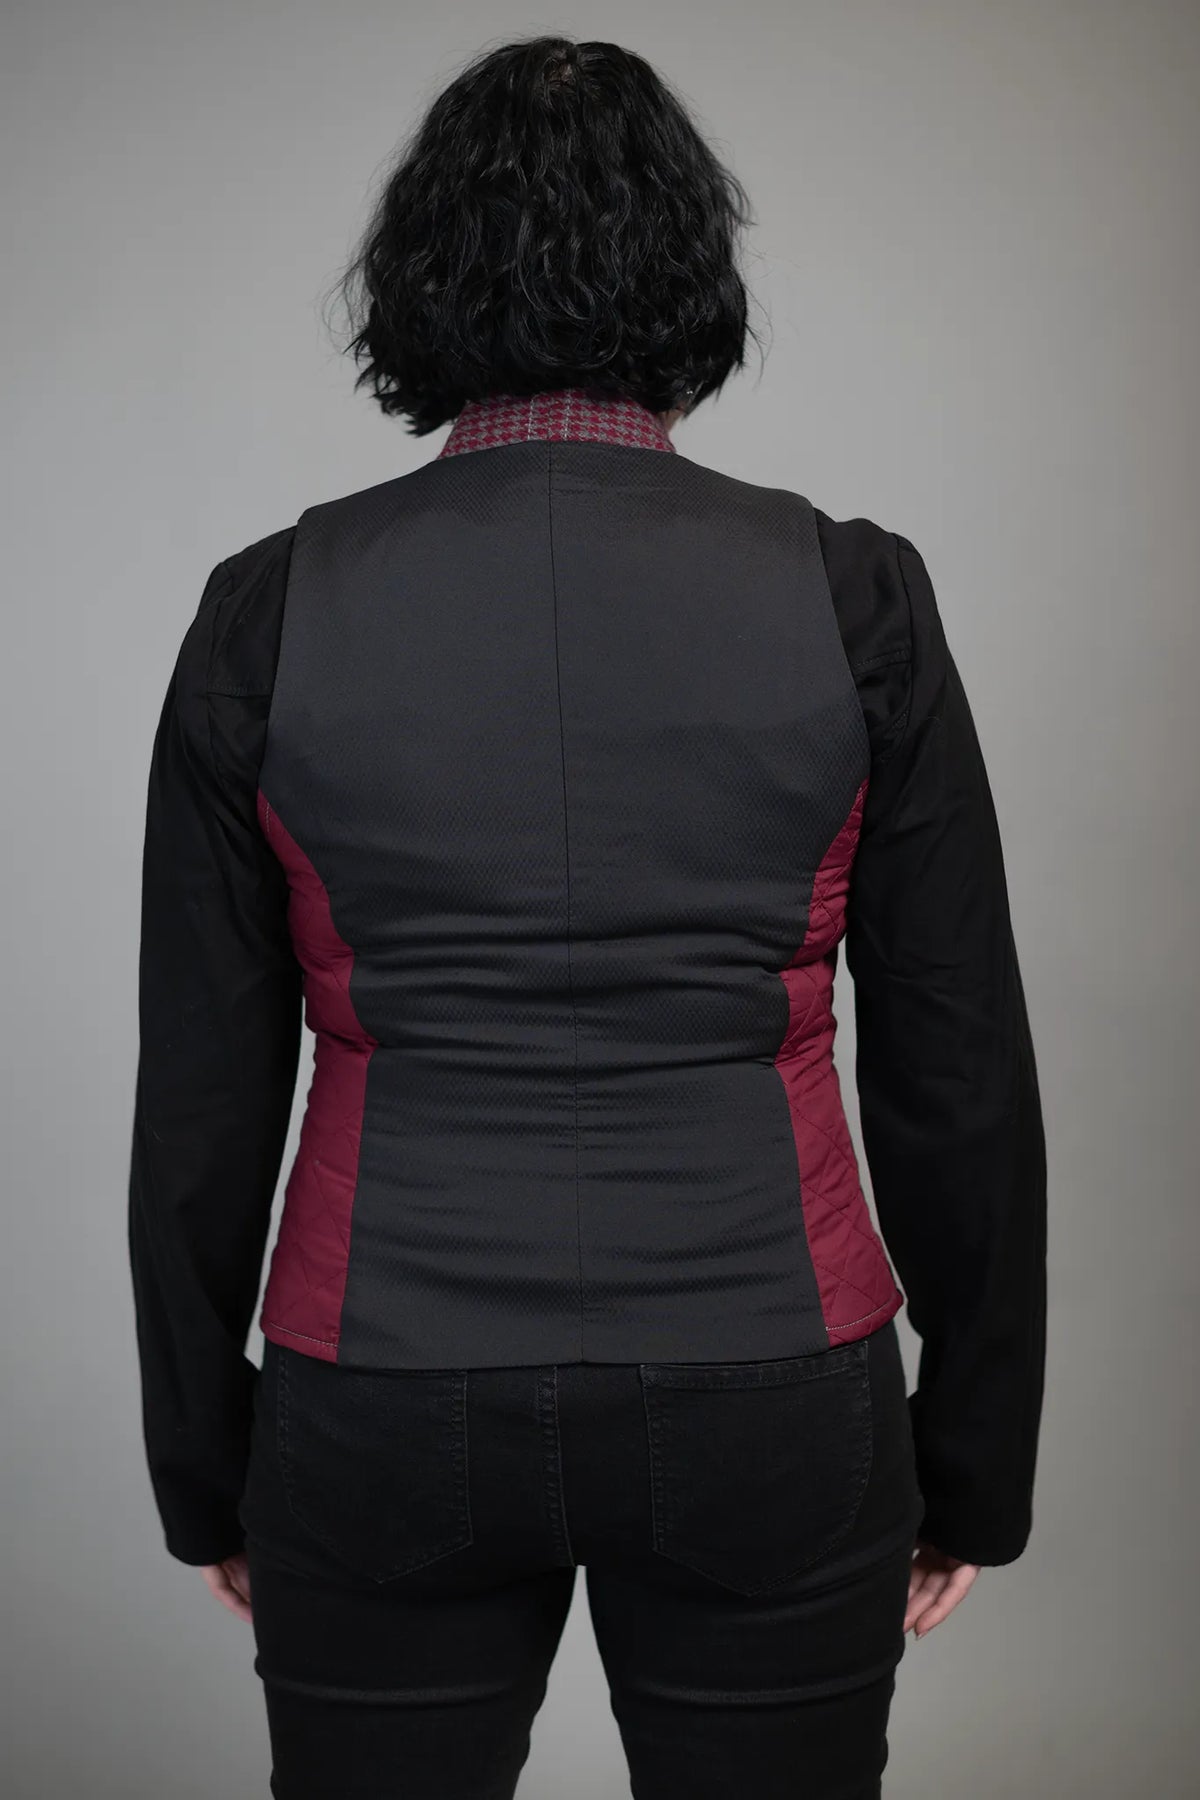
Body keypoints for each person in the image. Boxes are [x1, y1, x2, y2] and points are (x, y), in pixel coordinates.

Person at [126, 32, 1047, 1800]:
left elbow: (204, 1098)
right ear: (690, 276)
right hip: (772, 1387)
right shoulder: (852, 600)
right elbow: (958, 1070)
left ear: (420, 279)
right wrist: (977, 1461)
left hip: (379, 1395)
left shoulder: (270, 612)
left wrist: (207, 1460)